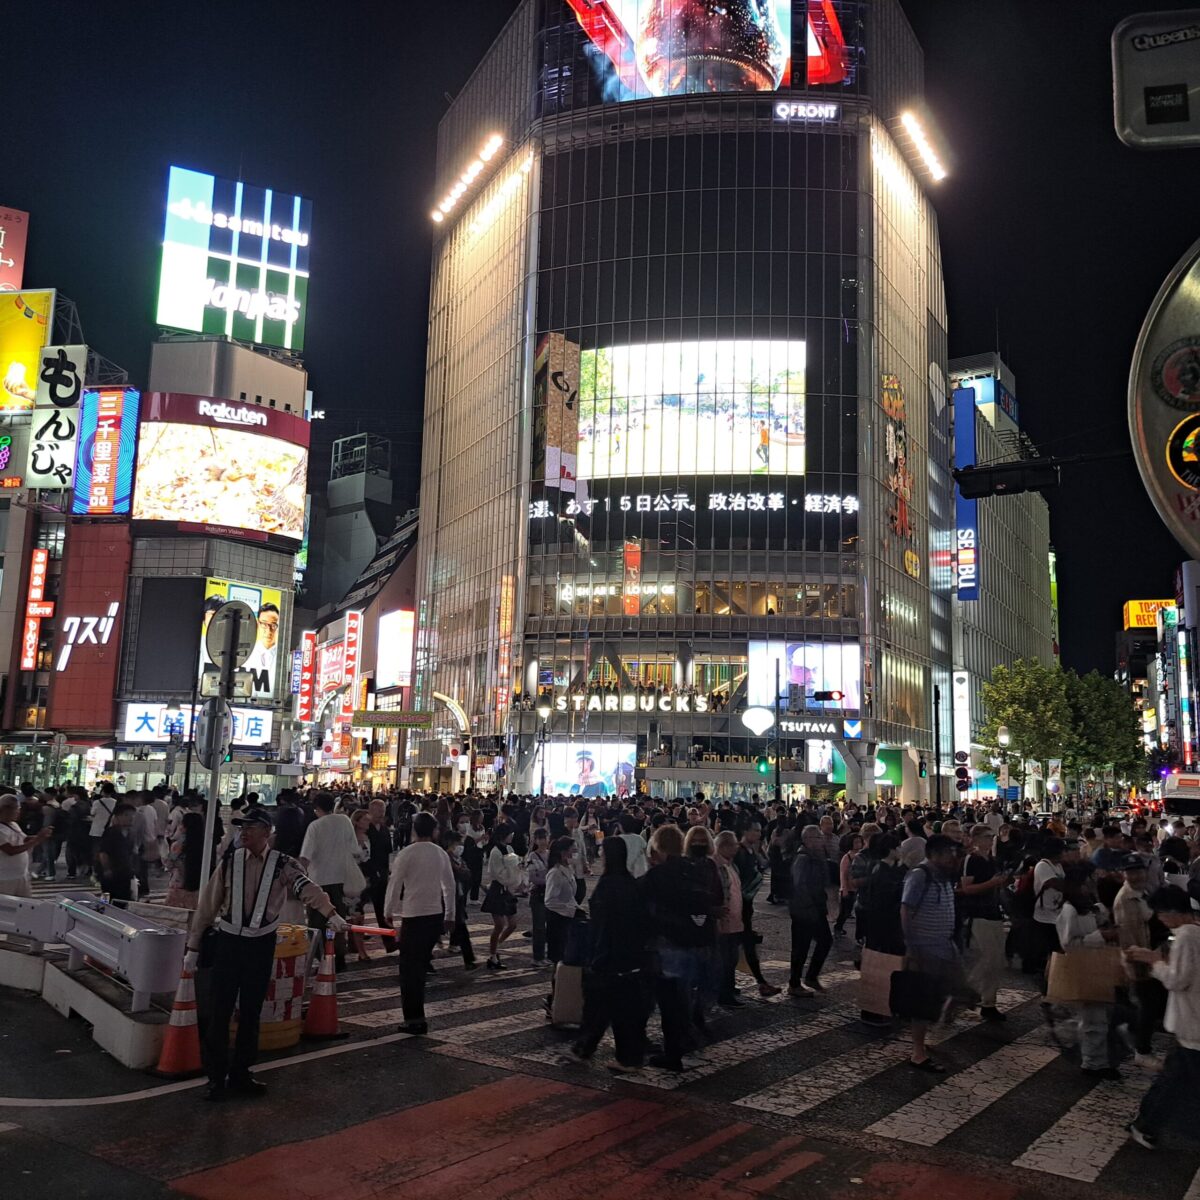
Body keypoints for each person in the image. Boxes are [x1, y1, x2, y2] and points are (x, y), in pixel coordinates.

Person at [189, 808, 345, 1100]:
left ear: (267, 832)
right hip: (228, 943)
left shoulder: (283, 864)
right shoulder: (230, 861)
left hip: (260, 945)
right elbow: (208, 905)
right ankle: (215, 1077)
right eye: (241, 827)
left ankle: (241, 1074)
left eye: (250, 827)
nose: (243, 832)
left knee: (251, 1011)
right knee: (219, 1011)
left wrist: (330, 914)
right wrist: (193, 945)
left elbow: (307, 888)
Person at [640, 823, 721, 1072]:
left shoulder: (657, 875)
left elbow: (643, 909)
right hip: (696, 941)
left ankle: (672, 1051)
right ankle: (684, 1038)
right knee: (683, 996)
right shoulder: (696, 869)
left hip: (667, 943)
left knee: (667, 1000)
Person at [1127, 886, 1200, 1150]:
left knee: (1174, 1081)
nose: (1159, 918)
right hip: (1192, 1024)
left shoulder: (1185, 937)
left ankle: (1144, 1123)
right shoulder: (1193, 931)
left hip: (1192, 1022)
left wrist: (1153, 962)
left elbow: (1176, 980)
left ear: (1170, 911)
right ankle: (1144, 1124)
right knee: (1175, 1080)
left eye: (1160, 913)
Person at [569, 836, 650, 1071]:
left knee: (599, 1006)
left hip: (608, 956)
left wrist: (596, 957)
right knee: (619, 1009)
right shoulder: (630, 883)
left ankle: (588, 1048)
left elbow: (602, 925)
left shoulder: (608, 885)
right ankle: (623, 1055)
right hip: (629, 957)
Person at [901, 834, 970, 1072]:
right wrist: (911, 946)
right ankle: (918, 1051)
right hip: (925, 947)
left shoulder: (943, 876)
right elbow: (906, 909)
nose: (952, 858)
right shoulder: (920, 875)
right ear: (936, 854)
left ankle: (937, 1017)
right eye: (948, 853)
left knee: (960, 989)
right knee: (923, 999)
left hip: (945, 945)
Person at [383, 811, 456, 1035]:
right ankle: (417, 1017)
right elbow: (449, 886)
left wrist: (388, 911)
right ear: (434, 831)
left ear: (414, 830)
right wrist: (450, 915)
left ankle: (413, 1018)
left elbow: (395, 884)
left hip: (413, 915)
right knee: (421, 967)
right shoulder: (440, 853)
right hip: (434, 915)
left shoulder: (406, 853)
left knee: (409, 970)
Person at [1055, 872, 1122, 1079]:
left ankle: (1094, 1058)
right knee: (1094, 1018)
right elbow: (1069, 943)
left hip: (1095, 965)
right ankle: (1093, 1063)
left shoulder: (1090, 907)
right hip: (1082, 966)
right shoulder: (1069, 910)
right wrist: (1101, 936)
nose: (1090, 887)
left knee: (1097, 1016)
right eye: (1086, 883)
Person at [300, 791, 364, 971]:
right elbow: (354, 849)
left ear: (317, 808)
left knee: (316, 924)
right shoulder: (344, 821)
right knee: (338, 920)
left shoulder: (315, 826)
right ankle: (340, 957)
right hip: (340, 879)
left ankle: (321, 959)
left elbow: (306, 856)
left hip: (318, 880)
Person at [1114, 853, 1164, 1069]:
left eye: (1138, 870)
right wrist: (1138, 962)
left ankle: (1131, 1030)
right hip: (1142, 960)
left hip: (1153, 954)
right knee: (1149, 1006)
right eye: (1131, 871)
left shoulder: (1144, 891)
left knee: (1154, 1004)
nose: (1136, 875)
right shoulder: (1125, 899)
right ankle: (1141, 1050)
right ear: (1124, 873)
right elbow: (1127, 936)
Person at [959, 825, 1011, 1023]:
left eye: (992, 836)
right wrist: (992, 883)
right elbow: (966, 887)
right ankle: (968, 992)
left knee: (996, 961)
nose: (991, 840)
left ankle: (988, 1001)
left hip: (993, 912)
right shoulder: (971, 860)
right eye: (988, 837)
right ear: (976, 839)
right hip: (978, 913)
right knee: (989, 958)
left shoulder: (991, 859)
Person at [732, 822, 782, 997]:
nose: (758, 834)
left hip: (746, 905)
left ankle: (730, 984)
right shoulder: (739, 852)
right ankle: (760, 982)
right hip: (739, 905)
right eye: (755, 830)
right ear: (745, 831)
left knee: (739, 945)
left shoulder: (751, 851)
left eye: (760, 831)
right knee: (743, 945)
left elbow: (763, 866)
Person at [789, 825, 833, 995]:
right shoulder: (803, 858)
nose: (821, 841)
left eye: (821, 837)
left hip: (814, 907)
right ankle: (796, 983)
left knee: (822, 941)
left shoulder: (815, 857)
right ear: (807, 840)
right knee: (802, 946)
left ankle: (809, 977)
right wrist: (810, 907)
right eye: (817, 838)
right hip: (805, 909)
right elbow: (800, 885)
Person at [481, 823, 522, 969]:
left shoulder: (509, 849)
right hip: (498, 889)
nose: (512, 835)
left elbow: (514, 867)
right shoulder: (495, 852)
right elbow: (497, 873)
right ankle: (493, 956)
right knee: (499, 925)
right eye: (510, 833)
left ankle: (496, 947)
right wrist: (512, 878)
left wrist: (516, 881)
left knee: (512, 924)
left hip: (508, 889)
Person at [0, 793, 51, 896]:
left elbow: (24, 839)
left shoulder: (13, 824)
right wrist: (37, 840)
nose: (19, 812)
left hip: (20, 874)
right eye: (17, 809)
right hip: (5, 877)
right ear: (6, 809)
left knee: (25, 905)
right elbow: (10, 850)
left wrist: (40, 836)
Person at [441, 830, 477, 969]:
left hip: (458, 896)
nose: (460, 846)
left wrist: (459, 869)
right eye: (458, 843)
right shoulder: (445, 857)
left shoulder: (458, 859)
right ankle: (469, 959)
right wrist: (459, 870)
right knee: (453, 927)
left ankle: (468, 958)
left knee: (459, 926)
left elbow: (467, 874)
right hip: (447, 897)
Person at [97, 804, 137, 900]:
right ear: (118, 816)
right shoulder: (111, 832)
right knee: (112, 899)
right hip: (113, 872)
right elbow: (103, 852)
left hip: (126, 873)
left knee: (125, 899)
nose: (131, 818)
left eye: (132, 815)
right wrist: (107, 869)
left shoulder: (130, 833)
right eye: (127, 815)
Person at [524, 827, 550, 966]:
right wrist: (548, 880)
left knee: (548, 925)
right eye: (540, 838)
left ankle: (545, 955)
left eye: (544, 837)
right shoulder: (532, 856)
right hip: (538, 893)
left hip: (550, 893)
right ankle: (537, 957)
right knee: (539, 926)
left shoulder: (551, 854)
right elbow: (532, 877)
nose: (543, 841)